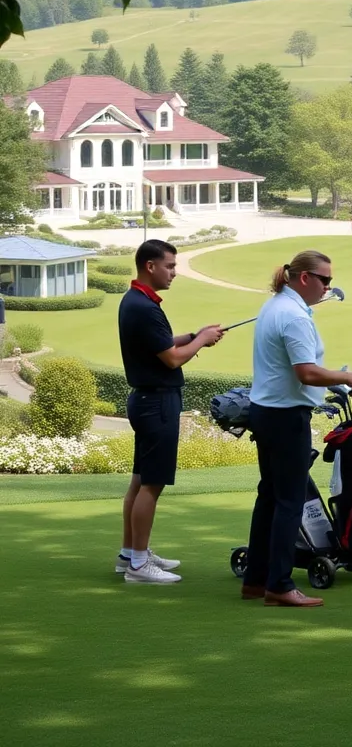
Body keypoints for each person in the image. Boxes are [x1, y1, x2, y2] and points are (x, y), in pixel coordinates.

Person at [242, 250, 352, 608]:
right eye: (324, 280)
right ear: (304, 278)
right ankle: (279, 585)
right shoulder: (293, 315)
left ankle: (256, 579)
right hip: (285, 416)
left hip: (267, 411)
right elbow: (306, 372)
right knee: (288, 500)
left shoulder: (275, 305)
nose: (328, 287)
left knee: (270, 496)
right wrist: (346, 376)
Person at [116, 240, 224, 584]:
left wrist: (193, 335)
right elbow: (172, 358)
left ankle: (131, 554)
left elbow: (162, 343)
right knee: (152, 484)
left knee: (139, 481)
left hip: (148, 400)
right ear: (150, 266)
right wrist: (202, 341)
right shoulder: (145, 307)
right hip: (157, 402)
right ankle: (137, 566)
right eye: (170, 266)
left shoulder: (137, 301)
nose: (174, 272)